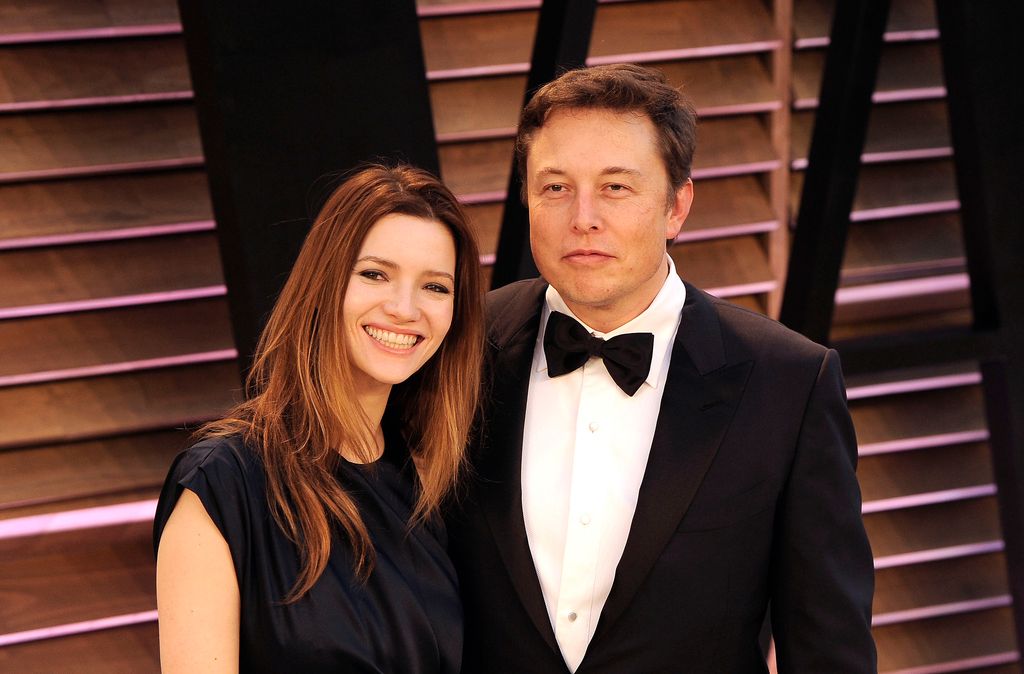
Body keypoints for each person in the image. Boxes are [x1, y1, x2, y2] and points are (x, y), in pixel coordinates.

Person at [447, 64, 876, 672]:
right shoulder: (455, 345)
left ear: (677, 206)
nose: (583, 217)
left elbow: (829, 649)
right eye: (555, 187)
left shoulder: (789, 383)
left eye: (616, 187)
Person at [153, 164, 484, 673]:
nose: (404, 308)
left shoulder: (428, 478)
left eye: (435, 287)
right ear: (325, 282)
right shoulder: (223, 481)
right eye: (375, 274)